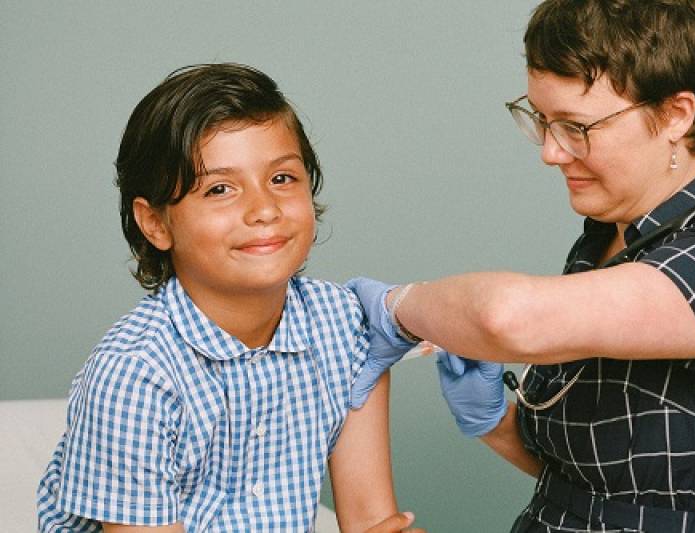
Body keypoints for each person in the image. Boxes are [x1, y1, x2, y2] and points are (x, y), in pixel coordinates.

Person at [346, 1, 695, 532]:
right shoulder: (607, 240)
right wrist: (494, 422)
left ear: (678, 114)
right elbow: (586, 482)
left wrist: (396, 305)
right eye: (542, 120)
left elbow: (508, 319)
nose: (551, 152)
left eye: (576, 126)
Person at [36, 63, 422, 533]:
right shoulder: (134, 375)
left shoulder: (344, 325)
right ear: (156, 223)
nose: (264, 210)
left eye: (282, 179)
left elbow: (373, 519)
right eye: (220, 189)